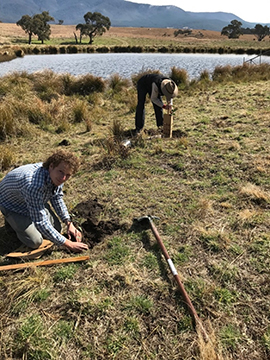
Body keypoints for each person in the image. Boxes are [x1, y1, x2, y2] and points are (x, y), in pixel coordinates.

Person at [0, 149, 89, 253]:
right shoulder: (33, 185)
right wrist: (68, 244)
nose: (63, 178)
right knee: (35, 241)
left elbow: (57, 197)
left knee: (56, 228)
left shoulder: (57, 176)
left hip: (32, 199)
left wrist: (69, 223)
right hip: (12, 205)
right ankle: (11, 222)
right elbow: (41, 222)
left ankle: (20, 222)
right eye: (61, 172)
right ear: (51, 166)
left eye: (68, 175)